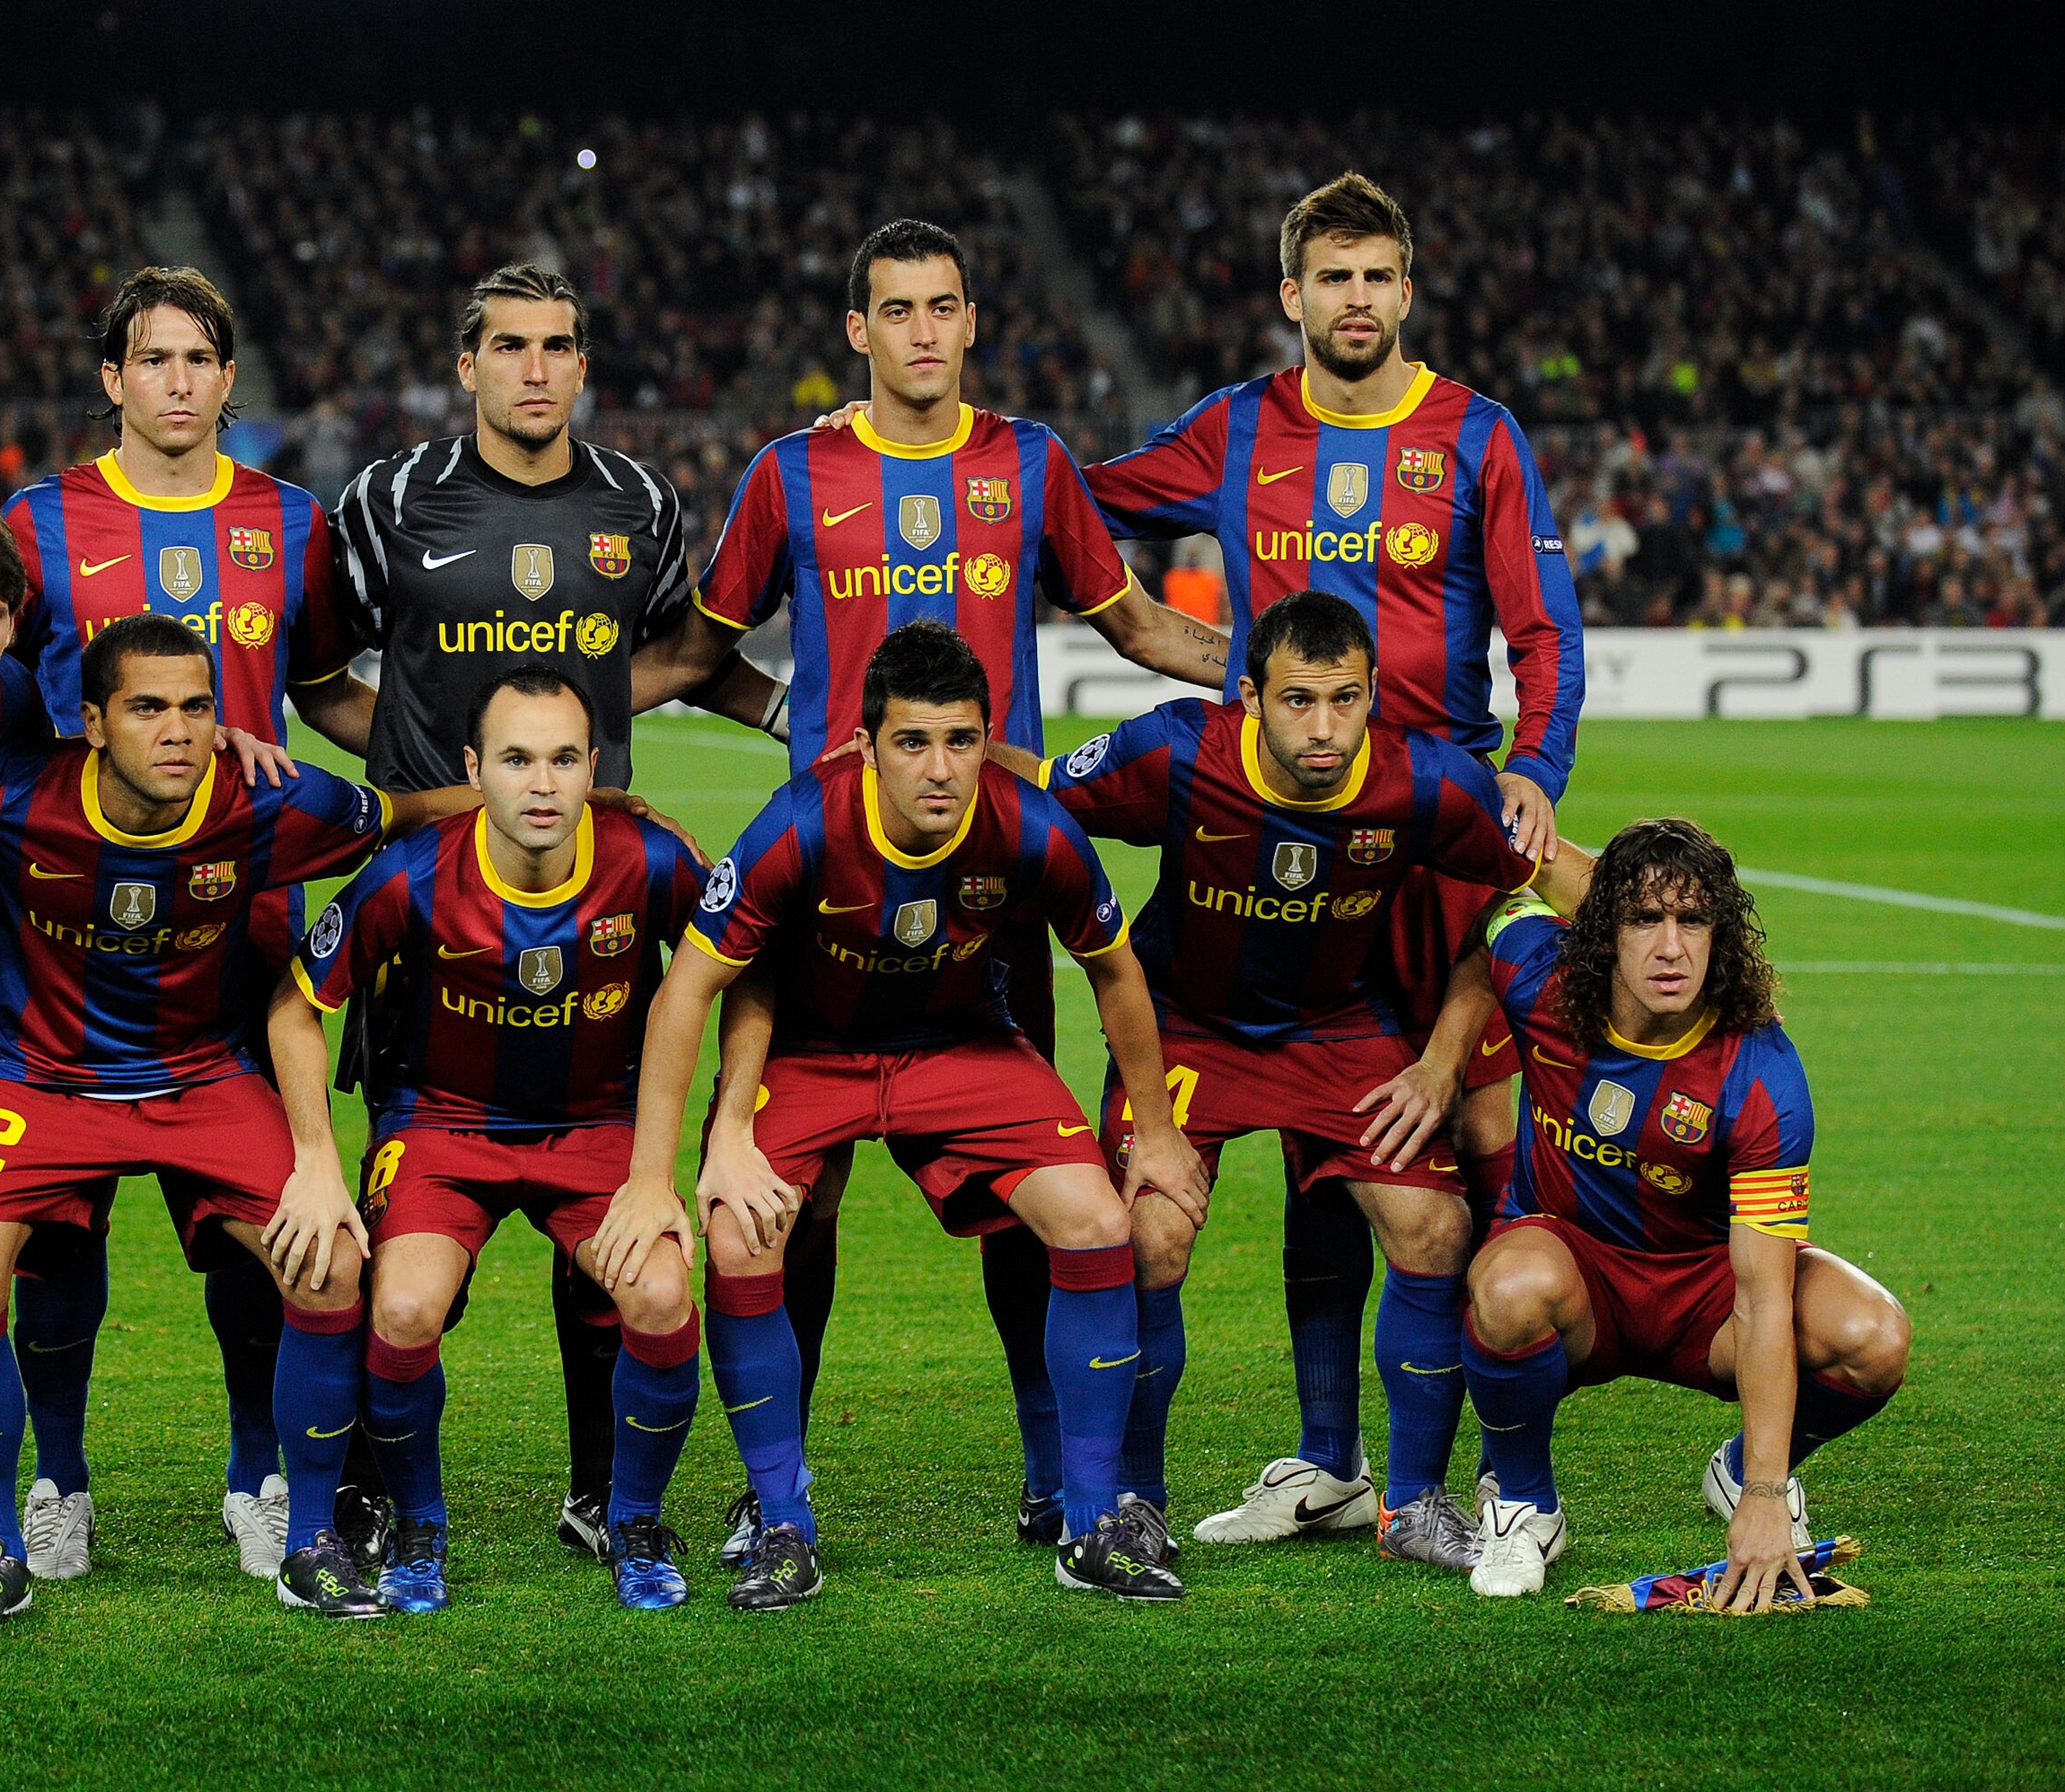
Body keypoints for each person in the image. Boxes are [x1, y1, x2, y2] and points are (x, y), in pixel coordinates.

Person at [697, 219, 1230, 1554]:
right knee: (788, 1199)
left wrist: (1284, 681)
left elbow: (1141, 627)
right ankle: (778, 1494)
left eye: (944, 307)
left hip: (994, 885)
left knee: (1022, 1193)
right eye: (897, 309)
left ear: (973, 321)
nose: (922, 331)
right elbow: (699, 652)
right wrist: (795, 726)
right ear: (857, 331)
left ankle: (1056, 1474)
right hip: (827, 876)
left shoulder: (1032, 464)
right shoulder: (791, 472)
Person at [1085, 172, 1589, 1545]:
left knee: (1474, 1146)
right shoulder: (1234, 429)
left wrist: (1534, 778)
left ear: (1407, 292)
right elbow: (1067, 504)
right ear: (1292, 295)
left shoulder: (1478, 438)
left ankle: (1496, 1471)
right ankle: (1331, 1461)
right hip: (1275, 832)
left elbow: (1547, 634)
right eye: (1333, 278)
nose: (1356, 301)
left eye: (1379, 278)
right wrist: (1178, 650)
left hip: (1435, 853)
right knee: (1333, 1139)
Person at [326, 263, 772, 1562]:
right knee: (406, 1213)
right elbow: (318, 673)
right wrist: (423, 806)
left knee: (610, 1204)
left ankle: (600, 1491)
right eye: (509, 346)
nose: (535, 368)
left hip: (595, 907)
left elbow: (681, 654)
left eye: (559, 346)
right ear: (465, 364)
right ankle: (374, 1490)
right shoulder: (390, 501)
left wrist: (801, 724)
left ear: (584, 365)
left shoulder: (640, 502)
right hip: (435, 906)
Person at [0, 614, 472, 1623]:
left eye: (196, 708)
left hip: (201, 1075)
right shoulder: (9, 803)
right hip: (40, 1074)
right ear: (90, 722)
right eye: (147, 709)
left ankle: (309, 1540)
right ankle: (2, 1538)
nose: (178, 731)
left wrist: (575, 794)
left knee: (329, 1261)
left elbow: (397, 812)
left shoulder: (266, 799)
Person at [632, 620, 1194, 1608]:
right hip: (816, 1049)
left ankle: (1091, 1519)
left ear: (989, 738)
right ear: (864, 744)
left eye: (962, 740)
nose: (940, 770)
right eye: (912, 742)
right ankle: (781, 1523)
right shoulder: (802, 822)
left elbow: (1115, 969)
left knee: (1101, 1221)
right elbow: (691, 989)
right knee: (739, 1228)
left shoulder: (1030, 824)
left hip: (962, 1045)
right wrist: (679, 1164)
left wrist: (1154, 1130)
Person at [1016, 591, 1582, 1572]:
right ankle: (1133, 1502)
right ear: (1248, 698)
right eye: (1296, 702)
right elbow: (1040, 788)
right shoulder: (1177, 752)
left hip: (1338, 1029)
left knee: (1434, 1226)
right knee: (1148, 1231)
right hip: (1189, 1027)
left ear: (1372, 696)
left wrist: (1442, 1061)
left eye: (1344, 699)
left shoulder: (1426, 781)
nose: (1322, 728)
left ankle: (1413, 1507)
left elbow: (1510, 896)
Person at [0, 265, 359, 1582]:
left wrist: (462, 793)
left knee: (257, 1239)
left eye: (199, 360)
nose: (177, 383)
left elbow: (324, 692)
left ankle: (258, 1473)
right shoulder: (37, 523)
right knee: (52, 1230)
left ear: (226, 377)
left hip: (247, 935)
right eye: (151, 360)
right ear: (112, 379)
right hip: (72, 943)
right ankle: (60, 1480)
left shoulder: (292, 523)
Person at [290, 667, 709, 1612]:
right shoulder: (413, 874)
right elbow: (296, 1004)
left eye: (564, 758)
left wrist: (707, 1143)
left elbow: (744, 970)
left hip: (596, 1124)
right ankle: (419, 1525)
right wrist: (317, 1157)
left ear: (594, 765)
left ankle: (630, 1518)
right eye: (518, 758)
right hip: (444, 1126)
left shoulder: (650, 860)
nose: (543, 783)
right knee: (401, 1308)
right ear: (476, 767)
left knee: (661, 1290)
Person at [1461, 820, 1909, 1602]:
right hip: (1575, 1271)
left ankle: (1738, 1474)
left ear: (1721, 936)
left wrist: (1768, 1492)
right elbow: (1487, 895)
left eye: (1693, 920)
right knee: (1506, 1288)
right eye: (1644, 919)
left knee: (1872, 1337)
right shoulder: (1541, 978)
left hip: (1706, 1296)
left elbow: (1764, 1293)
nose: (1671, 947)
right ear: (1603, 930)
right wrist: (1440, 1064)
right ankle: (1526, 1500)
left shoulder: (1760, 1074)